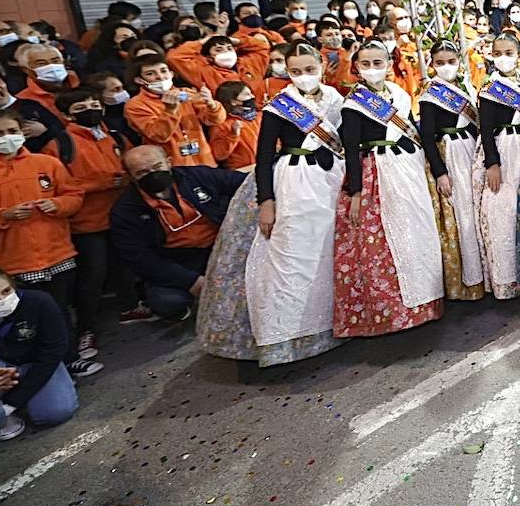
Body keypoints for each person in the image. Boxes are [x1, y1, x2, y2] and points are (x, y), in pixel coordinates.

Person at [236, 42, 347, 365]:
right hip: (294, 181)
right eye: (296, 71)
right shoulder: (278, 107)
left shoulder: (335, 100)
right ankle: (292, 335)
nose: (303, 77)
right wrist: (266, 201)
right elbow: (263, 157)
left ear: (322, 67)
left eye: (309, 70)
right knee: (294, 254)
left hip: (331, 179)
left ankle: (336, 321)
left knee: (331, 249)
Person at [334, 41, 444, 337]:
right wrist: (355, 192)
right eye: (366, 63)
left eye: (378, 62)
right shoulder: (353, 104)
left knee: (417, 233)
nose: (373, 69)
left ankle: (427, 301)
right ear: (356, 67)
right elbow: (351, 148)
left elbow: (412, 130)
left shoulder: (399, 94)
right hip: (378, 174)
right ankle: (396, 311)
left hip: (407, 168)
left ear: (388, 63)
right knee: (387, 241)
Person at [0, 106, 95, 378]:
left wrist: (57, 204)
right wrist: (3, 215)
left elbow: (74, 195)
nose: (7, 137)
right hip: (14, 262)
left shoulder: (45, 163)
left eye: (12, 131)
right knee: (27, 319)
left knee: (61, 311)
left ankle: (70, 358)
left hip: (58, 254)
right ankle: (42, 369)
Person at [110, 146, 245, 320]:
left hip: (221, 245)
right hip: (178, 260)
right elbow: (140, 258)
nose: (152, 174)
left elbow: (242, 182)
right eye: (142, 172)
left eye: (157, 167)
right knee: (166, 301)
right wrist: (190, 281)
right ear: (130, 176)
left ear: (169, 163)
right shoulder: (125, 211)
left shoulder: (196, 176)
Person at [48, 89, 129, 362]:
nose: (91, 109)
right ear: (68, 113)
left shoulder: (113, 136)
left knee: (123, 267)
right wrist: (103, 184)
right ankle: (86, 329)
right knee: (93, 277)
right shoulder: (61, 143)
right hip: (86, 222)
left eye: (95, 103)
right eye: (82, 106)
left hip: (119, 215)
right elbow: (59, 185)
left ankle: (131, 307)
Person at [473, 32, 520, 299]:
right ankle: (505, 279)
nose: (503, 59)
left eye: (508, 53)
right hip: (502, 149)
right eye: (497, 54)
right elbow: (485, 129)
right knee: (501, 210)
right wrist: (492, 164)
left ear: (519, 56)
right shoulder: (490, 88)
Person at [417, 42, 484, 302]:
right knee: (461, 214)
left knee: (476, 212)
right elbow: (427, 136)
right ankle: (468, 281)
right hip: (451, 152)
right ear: (432, 64)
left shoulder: (466, 86)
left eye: (451, 60)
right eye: (440, 62)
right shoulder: (430, 93)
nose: (446, 67)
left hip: (472, 150)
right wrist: (440, 171)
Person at [0, 269, 78, 442]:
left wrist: (12, 403)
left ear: (13, 285)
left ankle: (12, 401)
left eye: (7, 291)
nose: (2, 301)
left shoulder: (39, 301)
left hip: (37, 362)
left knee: (56, 412)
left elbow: (54, 350)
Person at [124, 55, 226, 166]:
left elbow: (215, 120)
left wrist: (212, 105)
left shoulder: (186, 92)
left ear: (171, 74)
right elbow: (159, 135)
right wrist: (170, 111)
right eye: (150, 74)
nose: (160, 77)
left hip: (205, 161)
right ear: (139, 80)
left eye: (163, 71)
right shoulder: (135, 105)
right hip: (173, 165)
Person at [166, 30, 270, 95]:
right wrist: (203, 42)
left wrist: (234, 40)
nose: (226, 52)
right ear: (209, 57)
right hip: (225, 122)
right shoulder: (203, 72)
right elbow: (174, 57)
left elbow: (262, 47)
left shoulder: (249, 64)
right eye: (218, 50)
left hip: (260, 116)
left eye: (229, 48)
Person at [16, 42, 79, 121]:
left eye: (55, 61)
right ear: (26, 70)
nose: (51, 66)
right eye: (41, 64)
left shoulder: (84, 83)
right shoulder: (24, 100)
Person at [210, 81, 260, 169]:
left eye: (251, 93)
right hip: (241, 171)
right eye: (247, 94)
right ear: (233, 101)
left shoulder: (259, 117)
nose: (253, 97)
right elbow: (219, 155)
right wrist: (233, 135)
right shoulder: (221, 125)